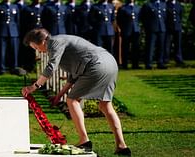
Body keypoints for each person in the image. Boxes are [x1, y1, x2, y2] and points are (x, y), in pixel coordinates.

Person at [21, 28, 131, 156]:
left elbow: (51, 66)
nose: (37, 50)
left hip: (96, 65)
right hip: (109, 63)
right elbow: (73, 76)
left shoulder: (54, 43)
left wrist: (34, 86)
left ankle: (84, 140)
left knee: (72, 100)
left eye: (35, 47)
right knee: (105, 105)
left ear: (41, 41)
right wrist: (59, 95)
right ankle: (121, 146)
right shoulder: (61, 41)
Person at [0, 0, 25, 75]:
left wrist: (17, 31)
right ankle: (1, 68)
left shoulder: (15, 6)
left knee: (14, 51)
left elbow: (17, 20)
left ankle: (14, 68)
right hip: (2, 31)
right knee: (1, 52)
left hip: (13, 32)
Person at [140, 0, 167, 69]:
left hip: (162, 28)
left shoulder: (163, 4)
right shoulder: (148, 4)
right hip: (152, 29)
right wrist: (147, 27)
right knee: (150, 47)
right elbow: (143, 17)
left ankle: (160, 62)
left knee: (161, 47)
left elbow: (165, 17)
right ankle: (148, 63)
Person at [20, 0, 44, 72]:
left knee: (41, 50)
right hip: (31, 33)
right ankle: (29, 66)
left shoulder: (44, 8)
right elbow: (23, 22)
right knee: (30, 51)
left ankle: (40, 67)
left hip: (41, 34)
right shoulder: (27, 9)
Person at [116, 0, 141, 69]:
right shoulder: (123, 8)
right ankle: (125, 65)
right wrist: (123, 28)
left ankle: (135, 64)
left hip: (136, 30)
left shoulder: (138, 7)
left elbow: (140, 18)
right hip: (126, 30)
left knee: (135, 48)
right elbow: (119, 20)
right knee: (125, 48)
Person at [164, 0, 184, 66]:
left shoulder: (179, 4)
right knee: (167, 44)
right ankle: (166, 59)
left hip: (177, 26)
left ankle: (179, 59)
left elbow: (180, 15)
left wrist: (179, 25)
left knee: (178, 44)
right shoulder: (166, 4)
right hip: (168, 26)